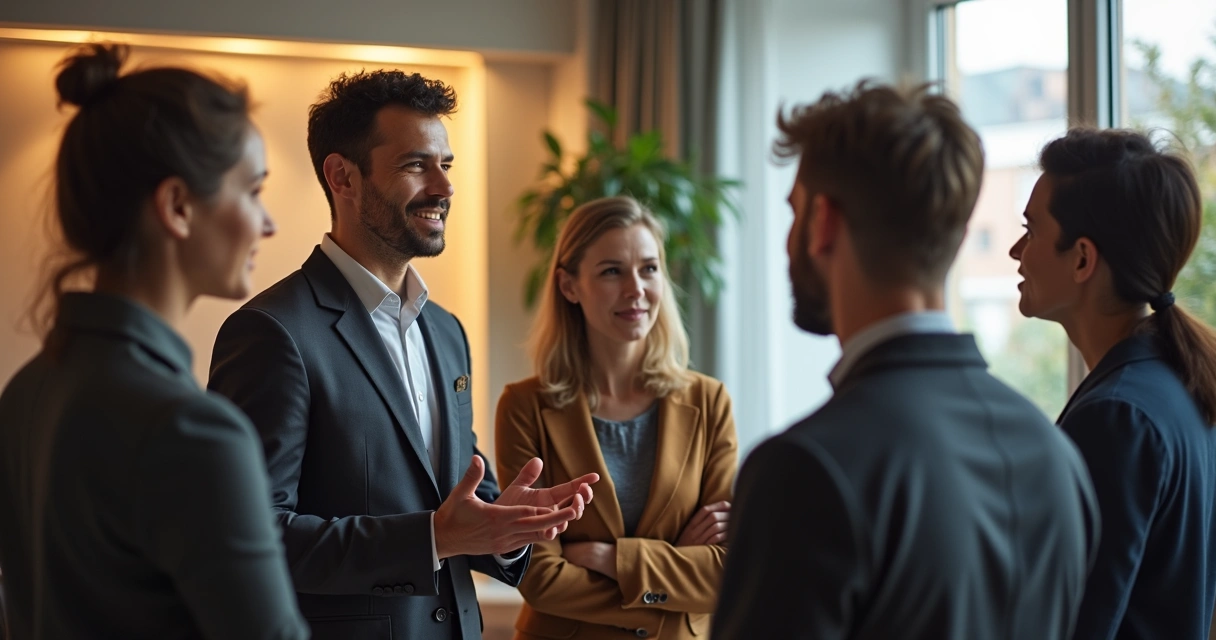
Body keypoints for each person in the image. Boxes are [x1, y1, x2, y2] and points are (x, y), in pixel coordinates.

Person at [207, 69, 598, 640]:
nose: (444, 187)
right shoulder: (271, 333)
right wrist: (434, 538)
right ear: (342, 176)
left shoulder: (446, 332)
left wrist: (509, 527)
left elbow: (457, 500)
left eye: (446, 165)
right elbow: (249, 539)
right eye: (417, 165)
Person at [711, 81, 1101, 640]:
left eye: (794, 212)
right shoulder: (1054, 455)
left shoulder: (805, 469)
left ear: (824, 222)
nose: (788, 238)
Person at [0, 43, 307, 639]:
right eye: (253, 191)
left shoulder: (25, 393)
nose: (268, 223)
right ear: (177, 206)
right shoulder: (192, 430)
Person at [496, 196, 738, 639]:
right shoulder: (524, 407)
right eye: (612, 271)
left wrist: (615, 560)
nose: (636, 289)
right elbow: (539, 577)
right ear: (569, 286)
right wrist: (670, 575)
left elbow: (725, 570)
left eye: (649, 268)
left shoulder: (709, 402)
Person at [1009, 127, 1216, 639]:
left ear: (1082, 259)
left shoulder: (1118, 417)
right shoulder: (1180, 385)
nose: (1016, 249)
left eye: (1031, 230)